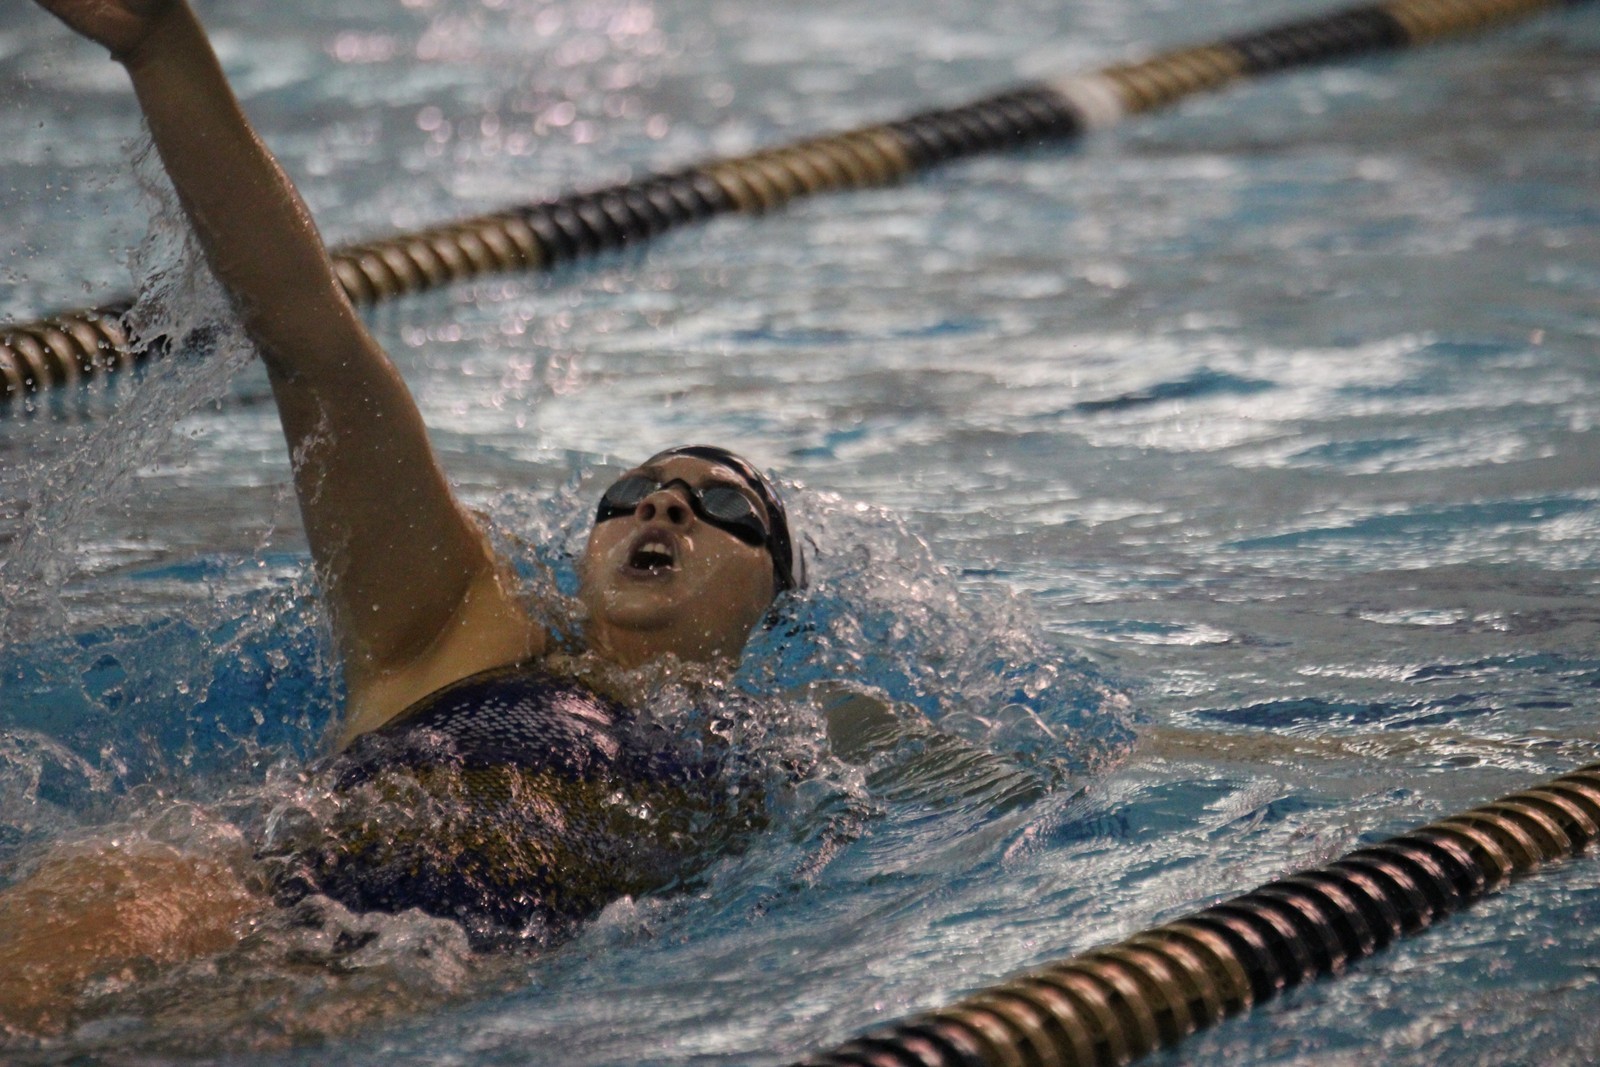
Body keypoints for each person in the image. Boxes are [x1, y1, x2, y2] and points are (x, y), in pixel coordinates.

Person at [4, 0, 1045, 1037]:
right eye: (629, 494)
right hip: (228, 885)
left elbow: (1018, 798)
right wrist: (160, 47)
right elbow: (309, 338)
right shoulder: (456, 622)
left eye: (723, 504)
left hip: (414, 978)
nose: (666, 502)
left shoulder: (790, 744)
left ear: (775, 590)